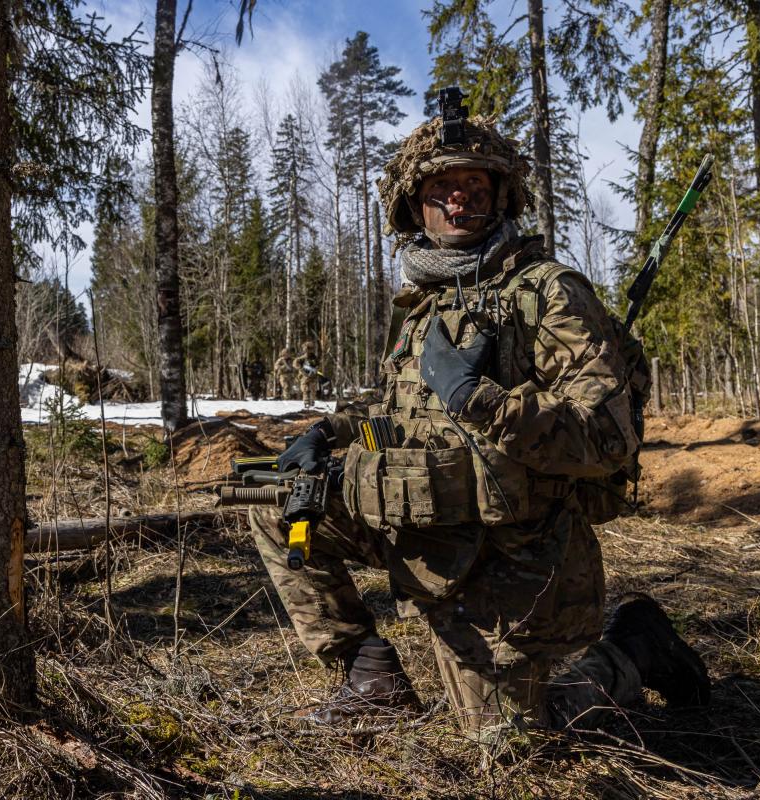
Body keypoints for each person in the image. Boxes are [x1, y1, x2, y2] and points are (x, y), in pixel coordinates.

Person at [248, 99, 710, 756]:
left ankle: (633, 647)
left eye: (473, 187)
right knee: (277, 503)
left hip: (515, 562)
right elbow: (402, 427)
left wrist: (480, 399)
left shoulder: (548, 293)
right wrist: (337, 432)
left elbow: (607, 440)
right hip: (426, 544)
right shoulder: (422, 308)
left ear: (500, 197)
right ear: (414, 207)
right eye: (441, 189)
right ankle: (368, 678)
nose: (458, 202)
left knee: (510, 748)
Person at [293, 341, 320, 408]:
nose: (307, 350)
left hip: (313, 376)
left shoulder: (315, 358)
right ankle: (306, 402)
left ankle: (312, 402)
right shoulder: (302, 358)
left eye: (309, 349)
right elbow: (295, 363)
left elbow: (318, 366)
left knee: (313, 390)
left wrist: (315, 369)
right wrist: (301, 368)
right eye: (306, 349)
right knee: (305, 390)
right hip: (304, 376)